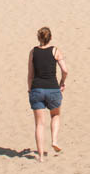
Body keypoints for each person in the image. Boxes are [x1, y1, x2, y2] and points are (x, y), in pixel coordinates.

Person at [27, 27, 68, 160]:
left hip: (37, 88)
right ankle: (54, 140)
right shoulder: (55, 51)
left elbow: (30, 74)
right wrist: (62, 82)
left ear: (39, 38)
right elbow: (65, 70)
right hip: (52, 88)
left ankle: (40, 155)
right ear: (50, 37)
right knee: (55, 115)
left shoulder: (33, 52)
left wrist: (29, 88)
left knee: (39, 123)